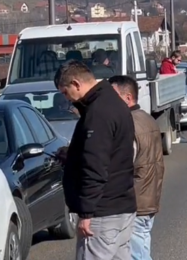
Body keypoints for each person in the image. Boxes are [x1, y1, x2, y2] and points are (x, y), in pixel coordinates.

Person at [54, 60, 137, 260]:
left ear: (76, 84)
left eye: (65, 93)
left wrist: (87, 214)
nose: (68, 99)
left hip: (102, 213)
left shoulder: (98, 113)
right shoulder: (113, 102)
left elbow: (95, 166)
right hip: (122, 206)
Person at [109, 76, 165, 260]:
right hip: (147, 194)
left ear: (127, 97)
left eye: (112, 96)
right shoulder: (146, 118)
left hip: (135, 199)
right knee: (140, 246)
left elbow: (123, 164)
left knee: (136, 253)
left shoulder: (128, 124)